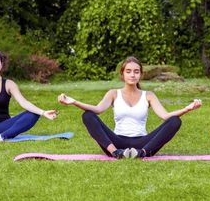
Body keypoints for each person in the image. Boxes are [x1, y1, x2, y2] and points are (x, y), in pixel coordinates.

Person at [57, 56, 202, 158]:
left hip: (142, 143)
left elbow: (165, 116)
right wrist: (74, 102)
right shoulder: (113, 93)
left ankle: (142, 154)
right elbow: (98, 110)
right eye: (128, 71)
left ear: (140, 75)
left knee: (175, 121)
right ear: (122, 74)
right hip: (116, 142)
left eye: (136, 71)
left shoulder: (148, 95)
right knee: (88, 115)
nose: (132, 75)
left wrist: (187, 108)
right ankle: (116, 154)